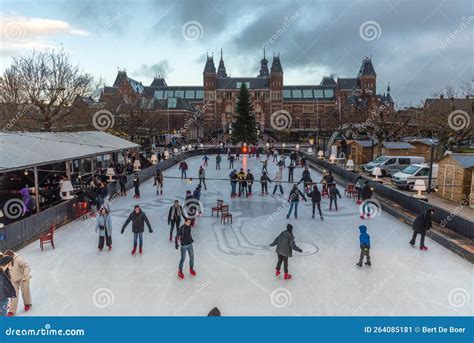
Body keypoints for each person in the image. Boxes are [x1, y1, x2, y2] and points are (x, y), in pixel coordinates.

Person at [3, 251, 31, 316]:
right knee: (14, 294)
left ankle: (27, 304)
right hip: (14, 279)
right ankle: (12, 311)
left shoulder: (18, 259)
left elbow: (26, 266)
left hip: (23, 277)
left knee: (25, 291)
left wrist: (26, 275)